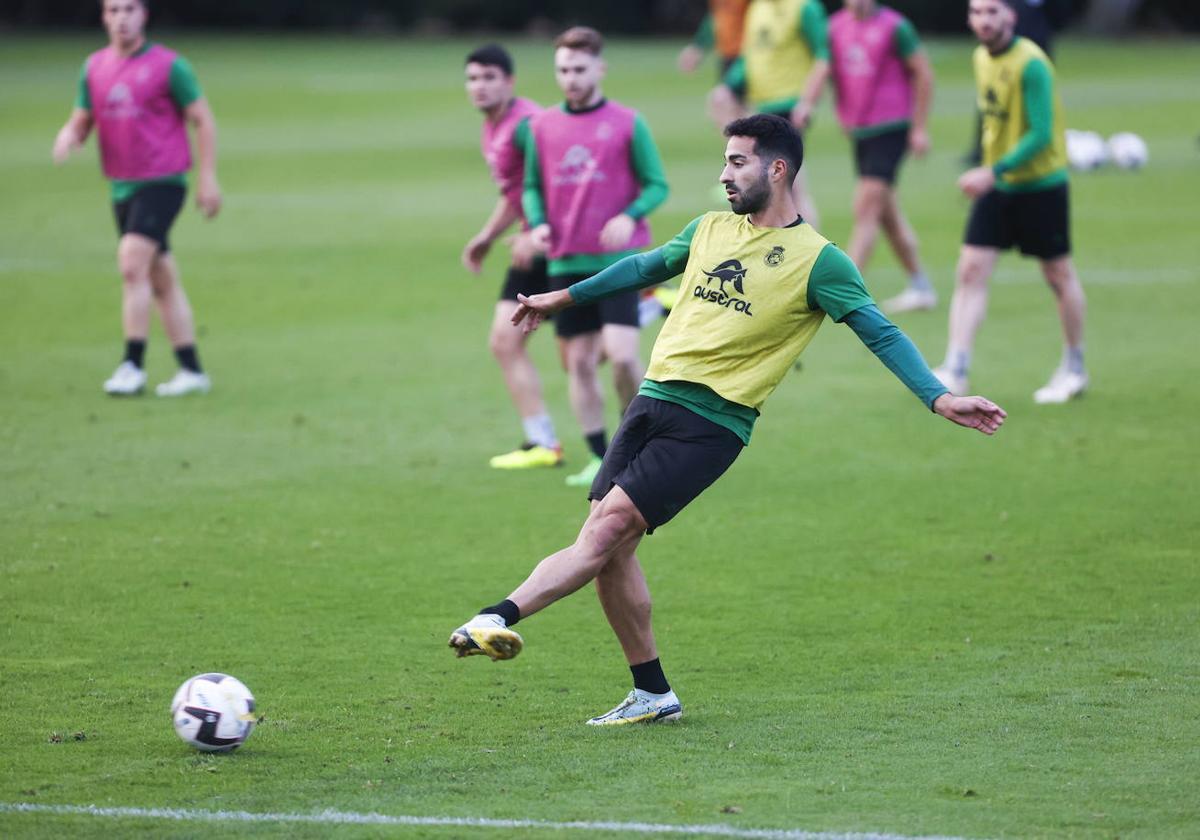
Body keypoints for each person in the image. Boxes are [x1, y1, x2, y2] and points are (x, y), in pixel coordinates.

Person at [448, 114, 1007, 726]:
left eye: (738, 161)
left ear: (778, 168)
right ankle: (653, 694)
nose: (725, 174)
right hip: (651, 402)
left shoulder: (821, 261)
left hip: (711, 424)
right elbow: (642, 267)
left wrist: (938, 396)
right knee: (609, 549)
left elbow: (881, 331)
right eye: (725, 161)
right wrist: (562, 296)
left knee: (606, 530)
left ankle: (494, 616)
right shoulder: (710, 228)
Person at [522, 27, 670, 488]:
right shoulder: (542, 127)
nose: (571, 78)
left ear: (600, 68)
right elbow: (531, 186)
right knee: (580, 364)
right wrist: (538, 222)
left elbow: (657, 184)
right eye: (563, 70)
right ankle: (599, 456)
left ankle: (640, 435)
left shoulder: (628, 122)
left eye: (580, 69)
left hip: (619, 262)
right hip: (566, 262)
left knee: (624, 359)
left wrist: (631, 215)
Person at [52, 0, 219, 397]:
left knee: (131, 264)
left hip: (163, 180)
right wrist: (69, 133)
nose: (121, 17)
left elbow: (202, 118)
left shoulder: (169, 66)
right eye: (113, 10)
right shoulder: (93, 68)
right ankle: (192, 371)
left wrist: (207, 178)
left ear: (144, 14)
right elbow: (84, 116)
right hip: (121, 185)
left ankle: (132, 365)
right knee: (161, 278)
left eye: (129, 8)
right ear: (103, 17)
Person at [933, 0, 1087, 405]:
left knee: (1058, 275)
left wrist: (991, 171)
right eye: (977, 12)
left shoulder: (1031, 63)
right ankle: (956, 367)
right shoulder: (981, 57)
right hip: (999, 185)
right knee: (970, 271)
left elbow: (1040, 133)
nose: (984, 20)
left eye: (992, 12)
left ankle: (1074, 368)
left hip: (1040, 185)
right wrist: (993, 172)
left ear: (1011, 17)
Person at [461, 44, 563, 470]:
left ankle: (646, 297)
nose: (479, 87)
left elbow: (562, 184)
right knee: (505, 341)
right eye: (472, 79)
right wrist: (487, 236)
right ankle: (541, 442)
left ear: (509, 81)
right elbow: (516, 193)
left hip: (553, 242)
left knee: (585, 349)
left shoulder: (527, 125)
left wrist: (537, 233)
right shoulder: (495, 125)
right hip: (533, 242)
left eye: (489, 78)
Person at [825, 0, 937, 314]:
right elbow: (832, 72)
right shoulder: (835, 27)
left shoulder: (895, 26)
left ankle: (843, 289)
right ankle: (920, 286)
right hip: (861, 131)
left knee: (865, 206)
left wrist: (919, 128)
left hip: (892, 126)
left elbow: (924, 74)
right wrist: (842, 110)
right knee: (886, 214)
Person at [710, 0, 831, 229]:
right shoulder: (757, 8)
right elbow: (750, 56)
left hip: (790, 105)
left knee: (791, 186)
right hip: (763, 107)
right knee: (778, 186)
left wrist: (807, 101)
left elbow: (823, 57)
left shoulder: (805, 8)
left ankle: (813, 250)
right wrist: (729, 86)